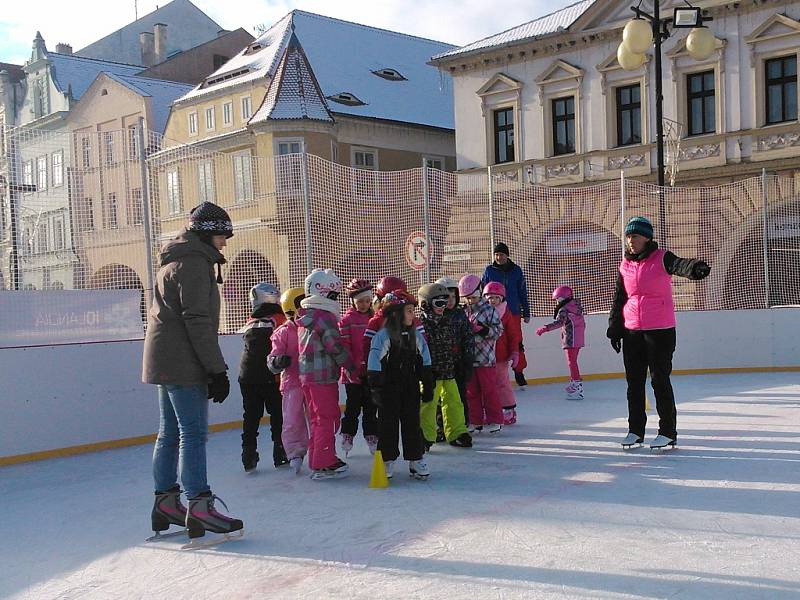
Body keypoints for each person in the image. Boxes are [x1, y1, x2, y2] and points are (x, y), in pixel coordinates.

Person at [143, 201, 243, 541]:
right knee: (192, 433)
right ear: (206, 233)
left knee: (169, 432)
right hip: (184, 360)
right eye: (221, 235)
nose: (225, 242)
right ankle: (199, 505)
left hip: (165, 357)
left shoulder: (177, 258)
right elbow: (197, 320)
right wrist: (216, 370)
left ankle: (166, 502)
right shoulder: (194, 263)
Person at [607, 216, 711, 450]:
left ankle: (667, 432)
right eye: (628, 236)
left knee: (659, 380)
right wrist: (615, 328)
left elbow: (680, 265)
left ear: (647, 237)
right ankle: (635, 431)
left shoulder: (662, 257)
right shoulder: (625, 265)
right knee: (633, 383)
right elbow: (619, 298)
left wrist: (695, 268)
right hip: (632, 331)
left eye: (635, 236)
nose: (631, 241)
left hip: (660, 331)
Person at [367, 290, 434, 479]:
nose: (413, 315)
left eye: (413, 310)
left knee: (412, 424)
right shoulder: (383, 336)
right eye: (409, 310)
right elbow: (374, 362)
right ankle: (386, 461)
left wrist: (427, 383)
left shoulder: (415, 336)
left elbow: (425, 360)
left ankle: (416, 458)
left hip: (410, 388)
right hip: (389, 389)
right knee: (387, 426)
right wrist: (376, 388)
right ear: (395, 313)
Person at [296, 268, 353, 479]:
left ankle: (317, 458)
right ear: (324, 293)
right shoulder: (324, 317)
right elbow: (335, 346)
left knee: (318, 419)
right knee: (327, 417)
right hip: (322, 377)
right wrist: (351, 367)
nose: (336, 300)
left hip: (308, 377)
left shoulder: (307, 317)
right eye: (334, 295)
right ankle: (324, 461)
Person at [238, 283, 287, 471]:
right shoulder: (279, 318)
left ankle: (248, 452)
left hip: (247, 375)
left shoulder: (251, 319)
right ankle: (280, 450)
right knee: (277, 414)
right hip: (270, 376)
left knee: (251, 416)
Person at [418, 282, 473, 449]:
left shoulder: (447, 322)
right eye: (439, 303)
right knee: (428, 405)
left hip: (449, 370)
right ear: (425, 304)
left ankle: (456, 432)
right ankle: (426, 436)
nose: (443, 307)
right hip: (429, 374)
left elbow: (454, 344)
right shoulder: (420, 325)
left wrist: (462, 362)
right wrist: (422, 370)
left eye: (445, 302)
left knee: (454, 402)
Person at [268, 287, 309, 474]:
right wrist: (278, 361)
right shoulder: (282, 332)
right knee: (292, 419)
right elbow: (272, 358)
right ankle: (294, 452)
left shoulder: (311, 326)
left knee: (318, 417)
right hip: (292, 382)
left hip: (313, 380)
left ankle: (321, 449)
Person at [481, 243, 531, 387]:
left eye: (501, 254)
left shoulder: (516, 271)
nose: (498, 257)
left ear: (507, 255)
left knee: (516, 341)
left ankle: (519, 371)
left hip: (513, 311)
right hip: (493, 312)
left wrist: (526, 312)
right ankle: (493, 372)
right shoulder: (489, 270)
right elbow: (483, 290)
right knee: (494, 341)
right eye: (496, 254)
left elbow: (522, 292)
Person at [459, 274, 504, 433]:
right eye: (467, 298)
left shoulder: (489, 310)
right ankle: (475, 420)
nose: (470, 301)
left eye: (473, 297)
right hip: (470, 359)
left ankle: (495, 419)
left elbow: (498, 331)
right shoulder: (463, 311)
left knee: (489, 390)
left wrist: (483, 329)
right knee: (471, 392)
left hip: (486, 359)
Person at [338, 278, 378, 456]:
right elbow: (344, 346)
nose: (364, 304)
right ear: (352, 301)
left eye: (367, 301)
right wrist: (349, 368)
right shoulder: (346, 321)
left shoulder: (374, 319)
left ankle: (371, 434)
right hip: (353, 373)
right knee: (353, 407)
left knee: (371, 406)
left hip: (371, 372)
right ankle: (348, 434)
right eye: (360, 301)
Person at [536, 285, 586, 400]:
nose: (557, 302)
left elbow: (559, 323)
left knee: (571, 362)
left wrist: (545, 328)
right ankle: (575, 382)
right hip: (578, 338)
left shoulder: (564, 309)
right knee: (573, 362)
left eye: (559, 300)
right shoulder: (575, 306)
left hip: (570, 338)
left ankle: (577, 386)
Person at [436, 276, 474, 426]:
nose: (450, 300)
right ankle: (441, 427)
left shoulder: (460, 314)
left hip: (458, 363)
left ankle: (461, 425)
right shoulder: (434, 316)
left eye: (453, 296)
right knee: (439, 398)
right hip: (440, 365)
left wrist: (468, 360)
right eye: (446, 297)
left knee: (459, 395)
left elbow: (468, 337)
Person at [483, 282, 521, 424]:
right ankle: (490, 411)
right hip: (484, 356)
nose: (491, 301)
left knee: (502, 383)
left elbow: (513, 334)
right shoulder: (481, 312)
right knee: (487, 385)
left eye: (495, 298)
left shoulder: (506, 314)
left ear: (501, 299)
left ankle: (509, 410)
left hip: (500, 356)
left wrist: (514, 352)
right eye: (488, 297)